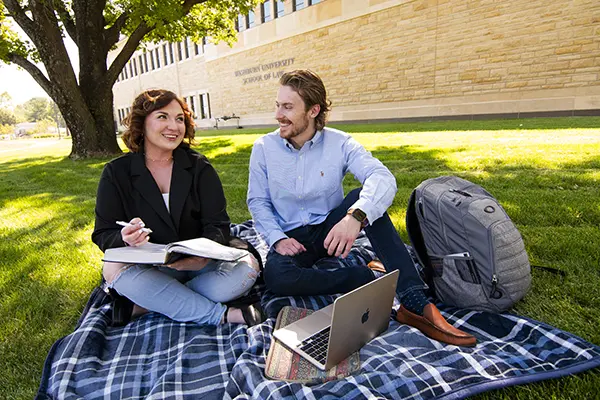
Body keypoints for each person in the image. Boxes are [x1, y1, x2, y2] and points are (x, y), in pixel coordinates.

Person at [247, 70, 476, 346]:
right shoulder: (263, 148)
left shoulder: (340, 143)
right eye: (277, 105)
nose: (278, 115)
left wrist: (355, 216)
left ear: (313, 110)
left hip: (330, 231)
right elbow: (257, 202)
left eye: (287, 107)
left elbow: (382, 178)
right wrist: (278, 239)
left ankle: (414, 302)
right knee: (277, 277)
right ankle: (364, 277)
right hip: (291, 238)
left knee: (365, 200)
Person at [93, 89, 264, 327]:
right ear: (141, 124)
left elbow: (218, 226)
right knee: (113, 269)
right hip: (150, 269)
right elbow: (102, 234)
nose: (174, 126)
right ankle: (222, 315)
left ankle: (148, 303)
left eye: (179, 119)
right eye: (162, 117)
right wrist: (124, 237)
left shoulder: (199, 167)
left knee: (245, 272)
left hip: (203, 266)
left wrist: (200, 257)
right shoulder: (115, 173)